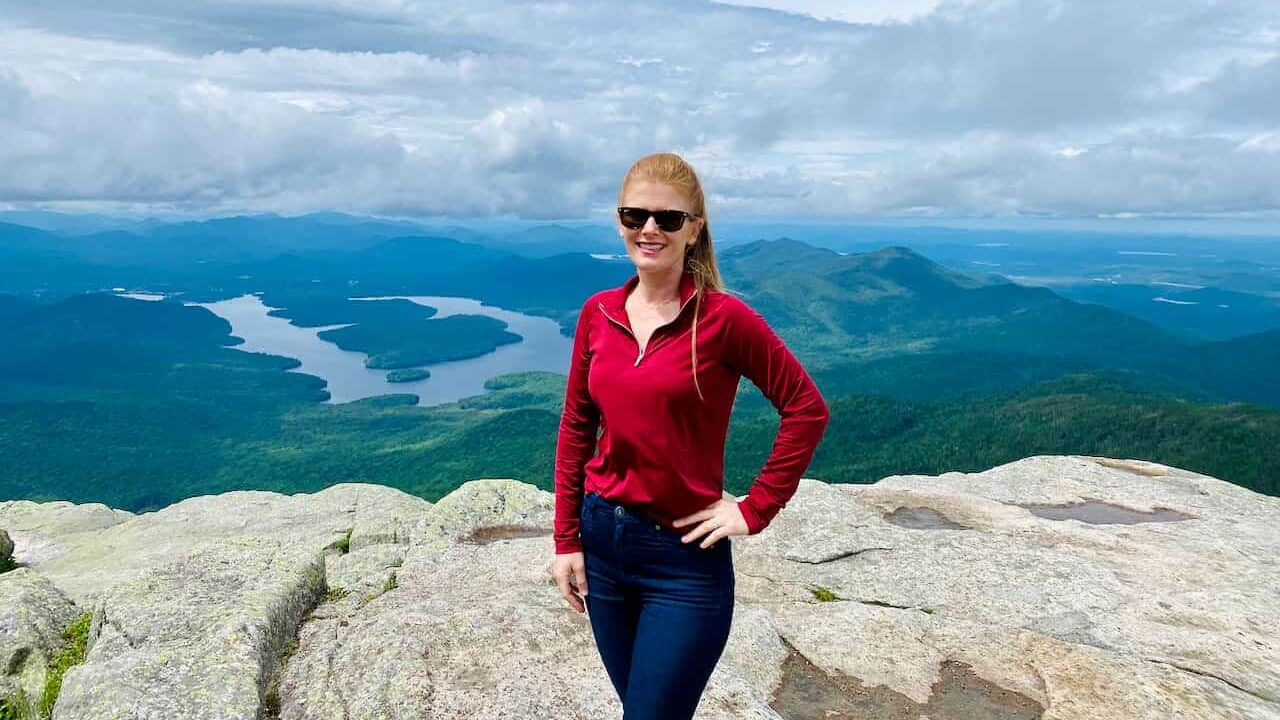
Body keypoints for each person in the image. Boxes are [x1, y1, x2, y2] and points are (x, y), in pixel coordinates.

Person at [551, 152, 830, 720]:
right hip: (602, 543)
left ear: (694, 230)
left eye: (667, 219)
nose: (649, 229)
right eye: (634, 216)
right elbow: (577, 427)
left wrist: (756, 508)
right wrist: (567, 539)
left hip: (683, 561)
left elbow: (806, 408)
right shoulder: (598, 313)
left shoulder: (725, 320)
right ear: (620, 220)